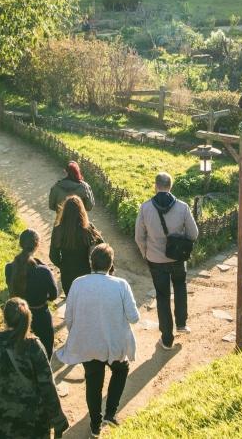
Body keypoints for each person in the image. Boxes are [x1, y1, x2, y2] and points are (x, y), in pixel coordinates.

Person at [57, 244, 139, 437]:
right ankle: (111, 412)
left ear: (90, 263)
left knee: (93, 382)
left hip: (88, 343)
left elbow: (69, 317)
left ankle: (95, 424)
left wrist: (79, 332)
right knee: (121, 369)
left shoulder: (78, 283)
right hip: (114, 343)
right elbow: (134, 318)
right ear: (111, 265)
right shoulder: (121, 285)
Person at [0, 298, 67, 439]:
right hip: (32, 421)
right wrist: (58, 420)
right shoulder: (34, 346)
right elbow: (47, 385)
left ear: (5, 318)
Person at [133, 172, 199, 349]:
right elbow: (194, 234)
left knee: (162, 296)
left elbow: (139, 236)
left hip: (155, 259)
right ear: (171, 186)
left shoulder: (145, 208)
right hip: (177, 258)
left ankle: (167, 339)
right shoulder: (183, 207)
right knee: (180, 287)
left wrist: (145, 252)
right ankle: (182, 324)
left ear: (156, 185)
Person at [5, 230, 59, 359]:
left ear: (20, 244)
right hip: (41, 316)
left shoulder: (9, 268)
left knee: (19, 354)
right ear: (37, 245)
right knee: (45, 353)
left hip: (17, 316)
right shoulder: (43, 271)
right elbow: (53, 295)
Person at [50, 195, 103, 296]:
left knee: (71, 302)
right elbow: (103, 247)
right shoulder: (89, 228)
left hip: (67, 273)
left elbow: (53, 256)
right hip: (86, 273)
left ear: (64, 211)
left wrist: (62, 265)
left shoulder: (58, 230)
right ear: (82, 211)